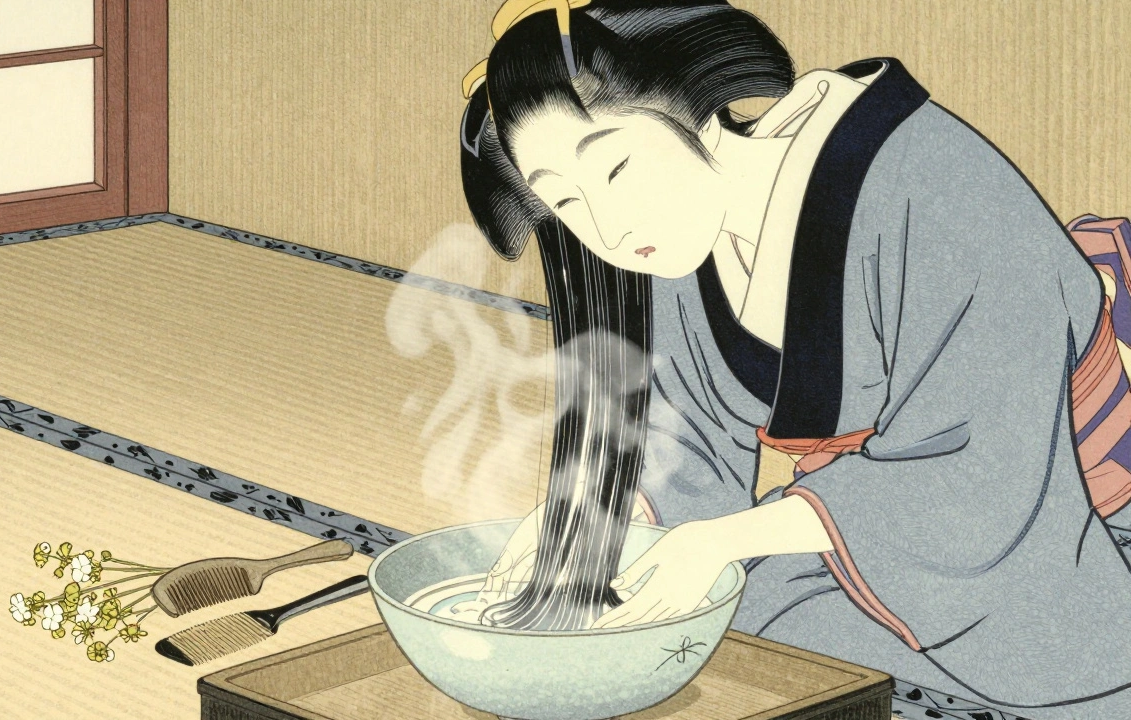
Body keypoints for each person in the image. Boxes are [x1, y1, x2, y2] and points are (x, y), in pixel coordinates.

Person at [455, 1, 1131, 718]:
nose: (609, 228)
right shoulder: (678, 238)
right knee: (712, 621)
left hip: (1070, 531)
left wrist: (721, 542)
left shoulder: (933, 182)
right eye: (569, 206)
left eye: (617, 168)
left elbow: (979, 475)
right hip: (884, 542)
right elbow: (686, 451)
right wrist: (590, 526)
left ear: (696, 104)